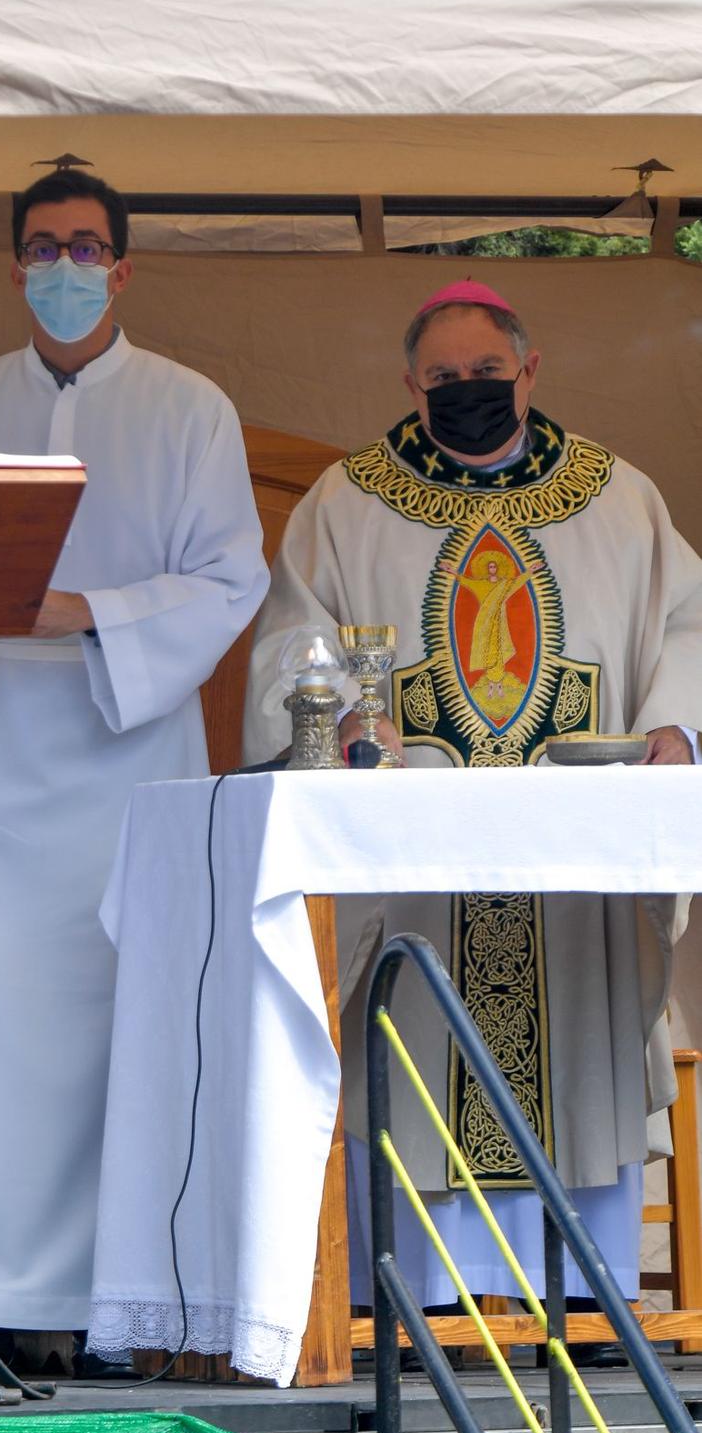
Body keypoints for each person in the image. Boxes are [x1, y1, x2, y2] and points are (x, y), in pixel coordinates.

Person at [0, 168, 269, 1360]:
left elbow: (229, 578)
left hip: (121, 764)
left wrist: (82, 613)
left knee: (118, 1029)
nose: (63, 265)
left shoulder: (188, 407)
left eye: (85, 246)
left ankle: (115, 1309)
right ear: (13, 266)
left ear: (123, 266)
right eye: (42, 245)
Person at [244, 278, 701, 1305]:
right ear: (408, 382)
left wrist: (675, 720)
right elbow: (292, 639)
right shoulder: (345, 500)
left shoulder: (615, 495)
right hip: (416, 862)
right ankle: (421, 1294)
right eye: (442, 378)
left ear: (527, 371)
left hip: (570, 865)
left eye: (484, 374)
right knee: (414, 1063)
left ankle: (580, 1292)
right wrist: (333, 714)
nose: (465, 391)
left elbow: (687, 617)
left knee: (573, 1059)